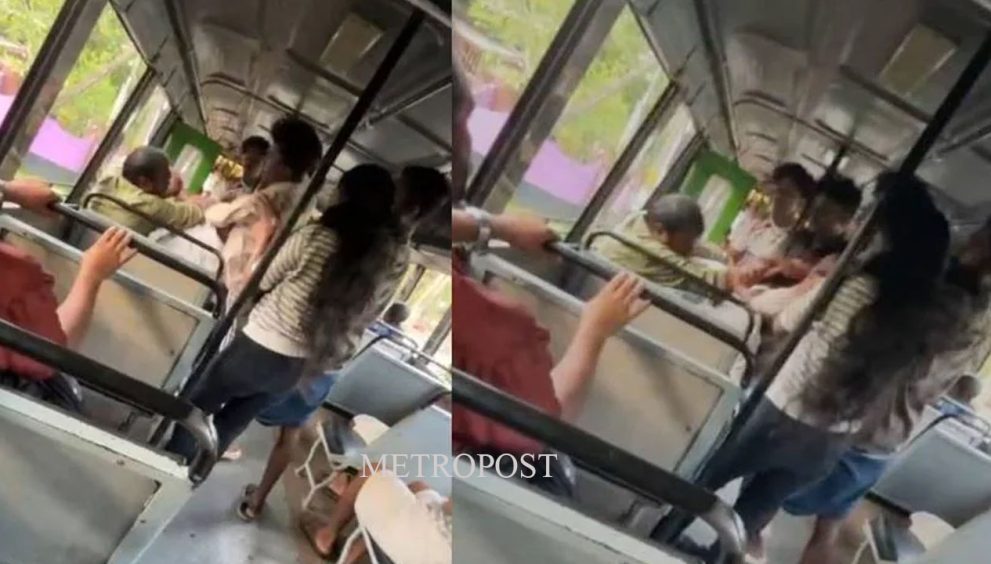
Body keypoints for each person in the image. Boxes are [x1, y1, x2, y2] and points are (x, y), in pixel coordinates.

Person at [674, 172, 965, 560]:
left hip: (784, 410)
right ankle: (716, 559)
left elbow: (788, 320)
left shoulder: (859, 286)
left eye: (869, 219)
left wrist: (811, 285)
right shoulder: (929, 315)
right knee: (755, 508)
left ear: (886, 233)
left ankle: (658, 535)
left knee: (705, 478)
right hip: (834, 436)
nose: (860, 227)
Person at [233, 166, 449, 520]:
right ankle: (257, 501)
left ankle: (200, 463)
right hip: (331, 355)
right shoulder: (402, 258)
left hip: (285, 336)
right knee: (290, 433)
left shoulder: (361, 230)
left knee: (236, 405)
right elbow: (372, 313)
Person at [784, 217, 991, 564]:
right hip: (886, 439)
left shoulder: (938, 297)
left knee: (765, 500)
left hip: (852, 423)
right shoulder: (978, 322)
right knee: (827, 529)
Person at [0, 227, 135, 410]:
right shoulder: (27, 405)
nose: (49, 280)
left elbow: (50, 346)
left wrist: (91, 276)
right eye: (38, 293)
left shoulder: (25, 366)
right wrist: (90, 276)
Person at [206, 118, 322, 304]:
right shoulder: (306, 198)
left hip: (237, 282)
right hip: (253, 282)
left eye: (271, 156)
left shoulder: (268, 198)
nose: (266, 162)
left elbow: (217, 216)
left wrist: (212, 205)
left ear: (284, 167)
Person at [595, 194, 761, 294]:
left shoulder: (645, 219)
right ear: (661, 231)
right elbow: (701, 279)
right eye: (687, 241)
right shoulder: (646, 252)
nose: (691, 247)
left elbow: (698, 247)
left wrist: (724, 257)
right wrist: (737, 276)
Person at [300, 469, 451, 563]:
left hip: (423, 542)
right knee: (418, 487)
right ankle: (352, 554)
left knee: (372, 469)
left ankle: (326, 537)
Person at [87, 146, 207, 236]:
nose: (169, 180)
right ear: (144, 182)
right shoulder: (151, 205)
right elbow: (193, 213)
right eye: (165, 178)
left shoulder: (112, 173)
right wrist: (184, 194)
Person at [727, 162, 816, 272]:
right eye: (777, 190)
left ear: (801, 203)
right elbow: (731, 252)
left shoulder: (795, 243)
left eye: (786, 193)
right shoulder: (756, 220)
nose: (778, 197)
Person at [213, 136, 271, 203]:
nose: (250, 164)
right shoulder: (226, 188)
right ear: (242, 158)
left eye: (255, 161)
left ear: (265, 163)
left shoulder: (266, 196)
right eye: (248, 159)